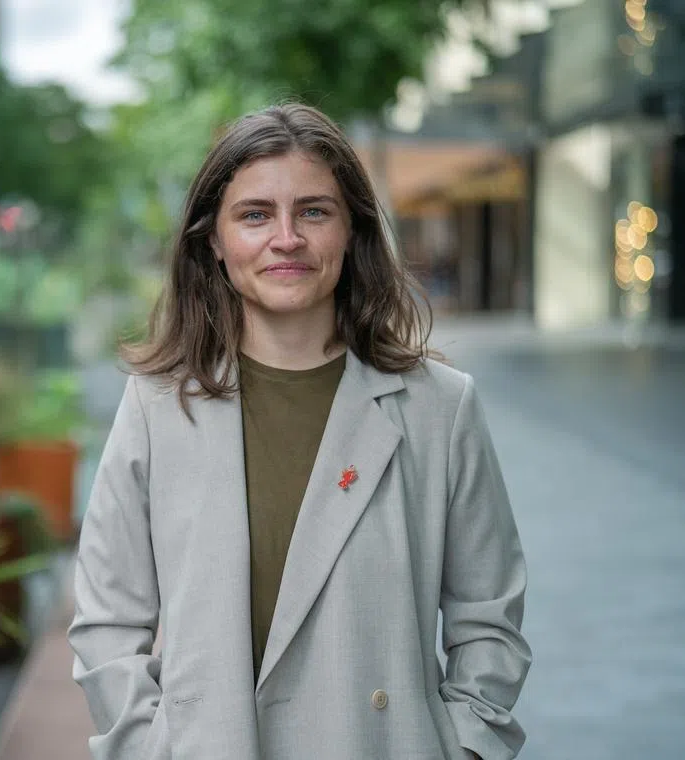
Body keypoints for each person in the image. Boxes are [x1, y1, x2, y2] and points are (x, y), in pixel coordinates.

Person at [68, 104, 531, 760]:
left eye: (314, 211)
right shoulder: (156, 405)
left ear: (351, 232)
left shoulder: (439, 408)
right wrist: (150, 747)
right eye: (255, 214)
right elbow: (107, 620)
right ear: (214, 240)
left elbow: (489, 618)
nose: (286, 238)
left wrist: (465, 746)